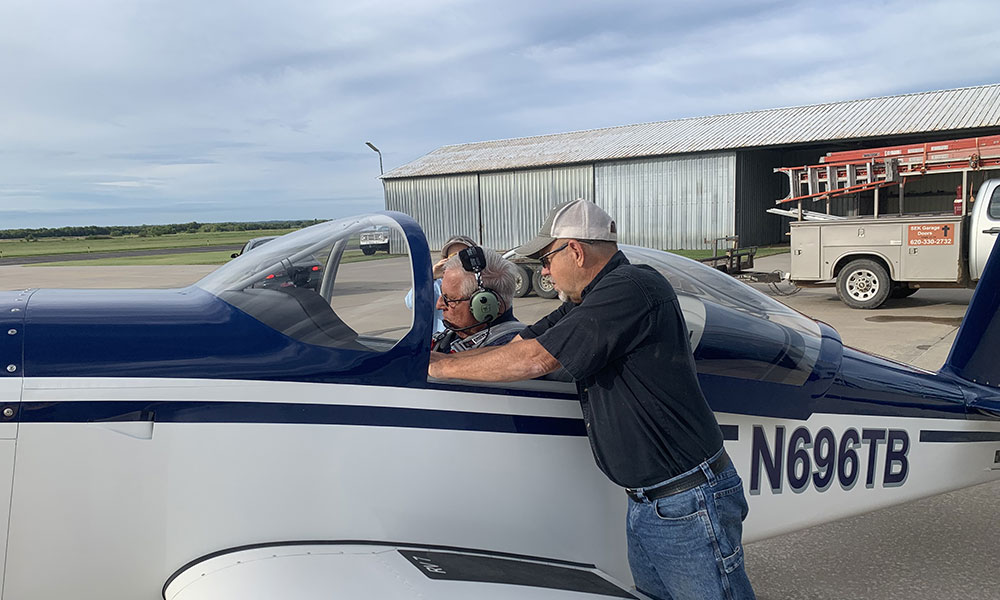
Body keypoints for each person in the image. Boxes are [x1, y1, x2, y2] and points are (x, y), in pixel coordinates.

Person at [428, 199, 755, 600]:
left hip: (685, 501)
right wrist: (439, 357)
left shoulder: (632, 289)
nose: (544, 272)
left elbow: (535, 359)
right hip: (650, 504)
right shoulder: (590, 299)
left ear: (576, 251)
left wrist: (437, 370)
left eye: (546, 259)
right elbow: (521, 341)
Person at [431, 246, 523, 353]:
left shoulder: (512, 352)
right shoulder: (451, 337)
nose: (439, 305)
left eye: (449, 299)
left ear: (484, 304)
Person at [405, 235, 476, 333]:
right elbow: (411, 303)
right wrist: (429, 277)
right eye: (453, 257)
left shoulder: (481, 281)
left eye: (463, 255)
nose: (458, 261)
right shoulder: (436, 284)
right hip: (443, 341)